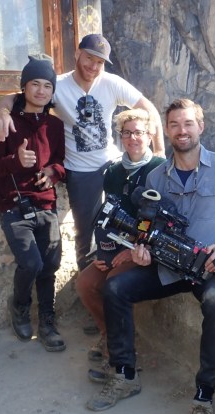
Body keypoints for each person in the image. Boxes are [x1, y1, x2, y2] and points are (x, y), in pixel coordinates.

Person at [85, 98, 215, 414]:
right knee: (114, 289)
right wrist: (142, 251)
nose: (182, 131)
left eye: (188, 123)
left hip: (209, 267)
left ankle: (204, 394)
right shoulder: (155, 180)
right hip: (166, 267)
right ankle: (125, 375)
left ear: (200, 127)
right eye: (175, 125)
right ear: (166, 130)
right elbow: (147, 229)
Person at [0, 33, 165, 271]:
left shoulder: (112, 83)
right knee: (86, 233)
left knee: (130, 221)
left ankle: (126, 274)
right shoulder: (58, 86)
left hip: (113, 164)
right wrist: (1, 113)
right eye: (89, 58)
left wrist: (161, 153)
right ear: (77, 54)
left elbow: (149, 109)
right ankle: (87, 279)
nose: (94, 66)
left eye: (100, 62)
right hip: (80, 171)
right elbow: (15, 98)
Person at [0, 55, 66, 352]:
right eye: (35, 84)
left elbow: (60, 162)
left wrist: (52, 173)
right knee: (31, 262)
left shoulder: (55, 126)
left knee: (51, 265)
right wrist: (14, 161)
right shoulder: (2, 122)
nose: (42, 91)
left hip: (46, 204)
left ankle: (46, 320)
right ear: (23, 87)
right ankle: (19, 306)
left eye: (47, 85)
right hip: (13, 206)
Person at [75, 108, 165, 372]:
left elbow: (161, 220)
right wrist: (102, 254)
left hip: (145, 249)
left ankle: (122, 349)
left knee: (115, 283)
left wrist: (135, 249)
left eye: (138, 132)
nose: (132, 138)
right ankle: (109, 335)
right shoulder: (113, 172)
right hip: (115, 246)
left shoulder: (159, 170)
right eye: (126, 133)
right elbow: (107, 215)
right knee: (86, 283)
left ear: (149, 136)